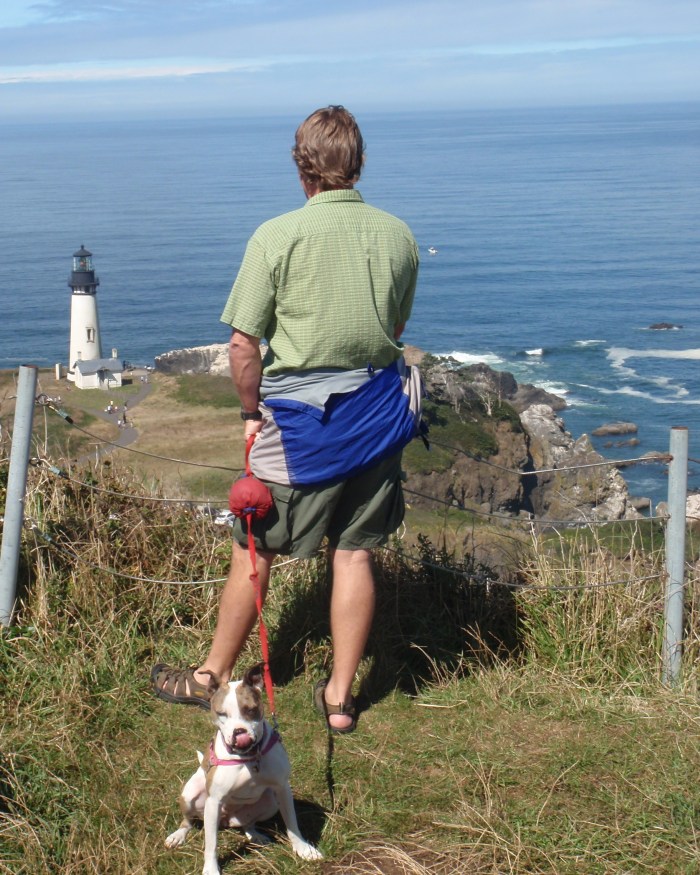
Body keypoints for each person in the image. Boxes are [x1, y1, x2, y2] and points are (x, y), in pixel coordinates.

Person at [151, 106, 419, 734]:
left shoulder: (275, 236)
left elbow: (244, 345)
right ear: (357, 164)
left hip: (299, 426)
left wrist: (250, 413)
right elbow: (396, 329)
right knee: (354, 555)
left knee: (255, 548)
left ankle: (211, 675)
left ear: (303, 169)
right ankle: (340, 699)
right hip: (378, 415)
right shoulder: (399, 235)